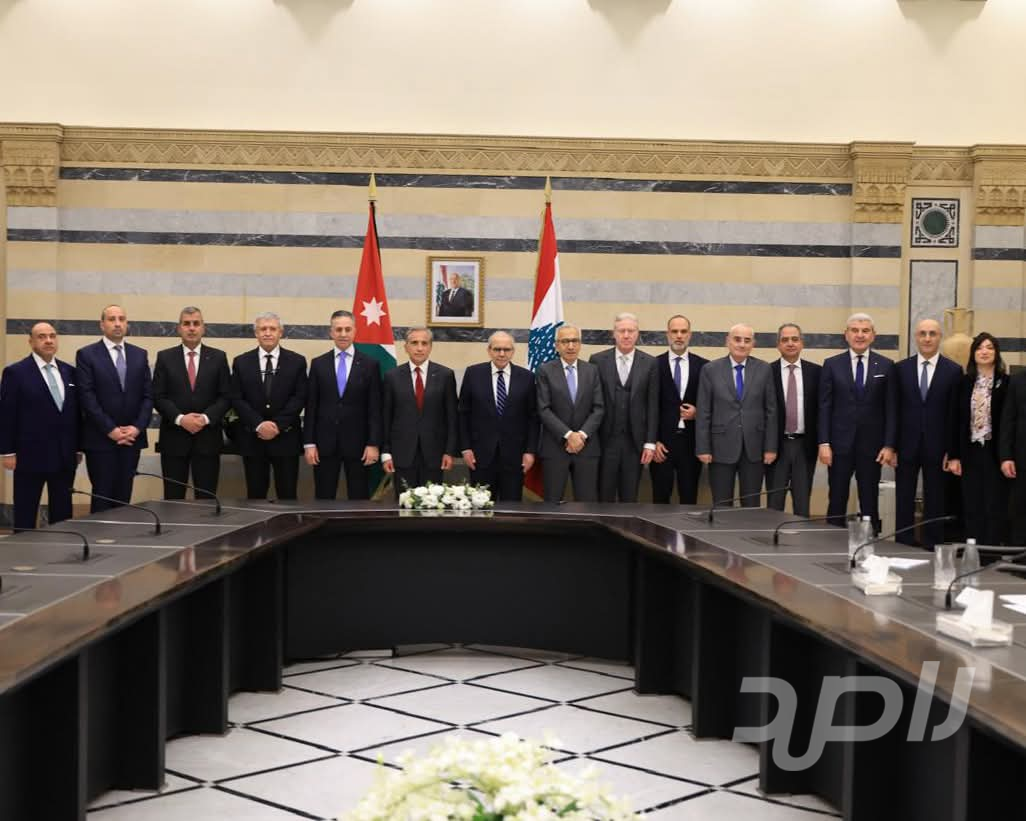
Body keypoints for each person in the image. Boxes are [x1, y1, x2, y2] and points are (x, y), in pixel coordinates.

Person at [888, 318, 962, 547]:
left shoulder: (953, 371)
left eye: (932, 334)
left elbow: (955, 415)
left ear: (940, 337)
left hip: (938, 447)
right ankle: (903, 540)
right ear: (916, 337)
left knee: (936, 497)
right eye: (922, 334)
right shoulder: (900, 369)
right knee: (903, 496)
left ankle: (932, 543)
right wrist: (891, 446)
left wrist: (952, 451)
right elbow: (893, 410)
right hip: (906, 445)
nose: (927, 338)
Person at [818, 312, 895, 533]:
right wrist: (824, 443)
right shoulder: (832, 364)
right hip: (838, 446)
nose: (860, 335)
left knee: (870, 499)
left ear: (873, 335)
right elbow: (824, 406)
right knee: (837, 499)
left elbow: (891, 409)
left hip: (872, 447)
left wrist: (889, 445)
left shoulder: (886, 365)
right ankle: (832, 542)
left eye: (865, 331)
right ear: (846, 334)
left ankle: (870, 544)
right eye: (855, 330)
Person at [0, 322, 80, 530]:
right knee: (26, 512)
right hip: (29, 455)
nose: (48, 341)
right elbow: (7, 414)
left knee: (63, 513)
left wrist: (78, 448)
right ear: (31, 341)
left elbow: (76, 414)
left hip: (64, 456)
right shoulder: (15, 372)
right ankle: (23, 549)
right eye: (42, 337)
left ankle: (62, 548)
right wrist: (7, 452)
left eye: (52, 336)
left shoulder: (70, 372)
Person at [75, 305, 153, 511]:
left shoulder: (139, 354)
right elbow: (87, 397)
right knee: (102, 496)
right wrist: (111, 430)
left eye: (121, 319)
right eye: (112, 319)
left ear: (127, 324)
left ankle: (121, 532)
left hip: (131, 439)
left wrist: (136, 428)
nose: (117, 324)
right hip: (101, 439)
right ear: (102, 325)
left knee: (123, 497)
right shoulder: (87, 355)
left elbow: (148, 396)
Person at [152, 307, 232, 501]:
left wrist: (205, 418)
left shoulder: (218, 357)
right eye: (186, 323)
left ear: (203, 328)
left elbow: (226, 396)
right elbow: (158, 396)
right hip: (174, 439)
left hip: (207, 439)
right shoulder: (165, 357)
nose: (191, 328)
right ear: (179, 328)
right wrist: (181, 419)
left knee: (206, 499)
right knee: (173, 499)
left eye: (196, 323)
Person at [695, 323, 777, 507]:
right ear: (728, 341)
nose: (742, 344)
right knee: (722, 502)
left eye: (747, 340)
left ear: (753, 344)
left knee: (751, 503)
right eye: (737, 339)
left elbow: (771, 411)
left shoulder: (764, 369)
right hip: (720, 447)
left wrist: (770, 447)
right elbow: (704, 411)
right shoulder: (710, 369)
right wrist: (703, 448)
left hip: (754, 448)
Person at [304, 310, 382, 499]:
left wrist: (373, 443)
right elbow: (311, 406)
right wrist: (309, 443)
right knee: (324, 497)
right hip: (324, 445)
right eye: (338, 329)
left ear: (355, 331)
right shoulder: (318, 364)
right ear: (331, 332)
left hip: (359, 445)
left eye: (348, 329)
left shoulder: (370, 364)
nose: (343, 334)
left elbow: (375, 408)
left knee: (359, 498)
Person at [232, 312, 308, 500]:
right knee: (255, 495)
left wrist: (277, 425)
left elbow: (299, 397)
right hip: (253, 439)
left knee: (288, 495)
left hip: (286, 439)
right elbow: (236, 398)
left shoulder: (297, 361)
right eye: (263, 329)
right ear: (256, 333)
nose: (267, 333)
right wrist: (259, 424)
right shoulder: (241, 362)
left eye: (272, 329)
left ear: (280, 332)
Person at [458, 331, 538, 501]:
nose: (502, 354)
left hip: (515, 456)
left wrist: (530, 451)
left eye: (506, 349)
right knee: (481, 506)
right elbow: (463, 413)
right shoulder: (473, 374)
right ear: (489, 350)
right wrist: (465, 448)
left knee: (511, 507)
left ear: (513, 351)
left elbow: (533, 417)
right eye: (497, 349)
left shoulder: (527, 377)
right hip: (480, 456)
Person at [948, 332, 1010, 545]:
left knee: (994, 502)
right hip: (970, 450)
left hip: (996, 452)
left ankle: (991, 549)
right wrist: (954, 456)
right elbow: (954, 420)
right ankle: (973, 549)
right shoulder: (963, 383)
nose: (984, 352)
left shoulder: (1006, 382)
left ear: (996, 353)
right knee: (971, 502)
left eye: (989, 348)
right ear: (973, 353)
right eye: (980, 348)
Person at [589, 312, 658, 502]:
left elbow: (652, 405)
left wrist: (650, 442)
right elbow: (592, 402)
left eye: (631, 331)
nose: (626, 335)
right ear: (614, 333)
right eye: (622, 331)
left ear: (637, 333)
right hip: (605, 442)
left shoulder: (650, 363)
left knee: (630, 497)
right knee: (604, 496)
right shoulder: (597, 360)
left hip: (635, 443)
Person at [382, 327, 458, 491]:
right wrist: (386, 452)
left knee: (432, 502)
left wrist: (449, 451)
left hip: (434, 454)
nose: (419, 348)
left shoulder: (445, 375)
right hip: (402, 454)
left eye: (424, 343)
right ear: (406, 347)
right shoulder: (392, 377)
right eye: (414, 343)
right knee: (404, 501)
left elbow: (452, 418)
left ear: (430, 347)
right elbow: (386, 417)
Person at [536, 323, 604, 503]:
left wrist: (581, 435)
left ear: (580, 344)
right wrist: (568, 435)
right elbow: (544, 409)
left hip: (586, 447)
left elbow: (598, 408)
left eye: (575, 341)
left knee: (587, 503)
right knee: (552, 503)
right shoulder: (545, 370)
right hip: (555, 448)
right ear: (557, 345)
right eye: (565, 341)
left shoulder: (592, 370)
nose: (570, 346)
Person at [651, 314, 708, 504]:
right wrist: (653, 441)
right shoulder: (653, 364)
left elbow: (711, 405)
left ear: (690, 335)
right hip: (662, 445)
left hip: (691, 444)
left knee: (689, 499)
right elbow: (648, 406)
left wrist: (698, 413)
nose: (679, 336)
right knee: (660, 499)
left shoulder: (704, 366)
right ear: (667, 334)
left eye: (683, 331)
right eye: (674, 331)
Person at [766, 323, 821, 518]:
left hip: (804, 446)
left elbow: (821, 410)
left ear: (802, 343)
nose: (790, 343)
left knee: (802, 502)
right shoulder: (767, 371)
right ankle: (772, 535)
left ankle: (802, 535)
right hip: (776, 446)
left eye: (795, 339)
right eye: (785, 340)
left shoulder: (816, 372)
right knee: (774, 502)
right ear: (778, 345)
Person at [1000, 359, 1026, 545]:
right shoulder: (1017, 381)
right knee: (1020, 510)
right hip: (1021, 459)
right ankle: (1019, 557)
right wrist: (1006, 456)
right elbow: (1008, 421)